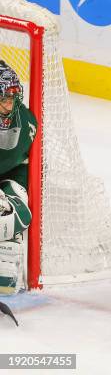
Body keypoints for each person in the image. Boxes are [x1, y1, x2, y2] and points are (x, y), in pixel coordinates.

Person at [0, 60, 37, 294]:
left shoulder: (24, 122)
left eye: (13, 98)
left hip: (11, 177)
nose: (9, 105)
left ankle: (4, 279)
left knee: (12, 217)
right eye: (4, 99)